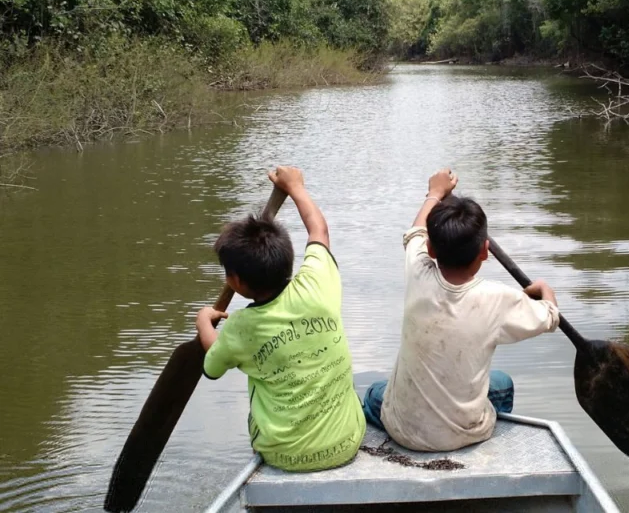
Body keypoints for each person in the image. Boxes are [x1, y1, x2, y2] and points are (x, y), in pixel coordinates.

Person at [363, 168, 560, 452]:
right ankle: (482, 431)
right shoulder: (500, 299)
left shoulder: (418, 272)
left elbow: (414, 234)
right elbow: (550, 316)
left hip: (402, 430)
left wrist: (434, 194)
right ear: (485, 251)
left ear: (431, 249)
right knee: (502, 384)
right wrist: (544, 291)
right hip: (466, 434)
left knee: (374, 392)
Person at [196, 166, 365, 471]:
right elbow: (319, 231)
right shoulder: (317, 284)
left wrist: (203, 323)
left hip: (283, 456)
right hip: (347, 444)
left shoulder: (240, 328)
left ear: (235, 280)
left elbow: (212, 363)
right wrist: (296, 187)